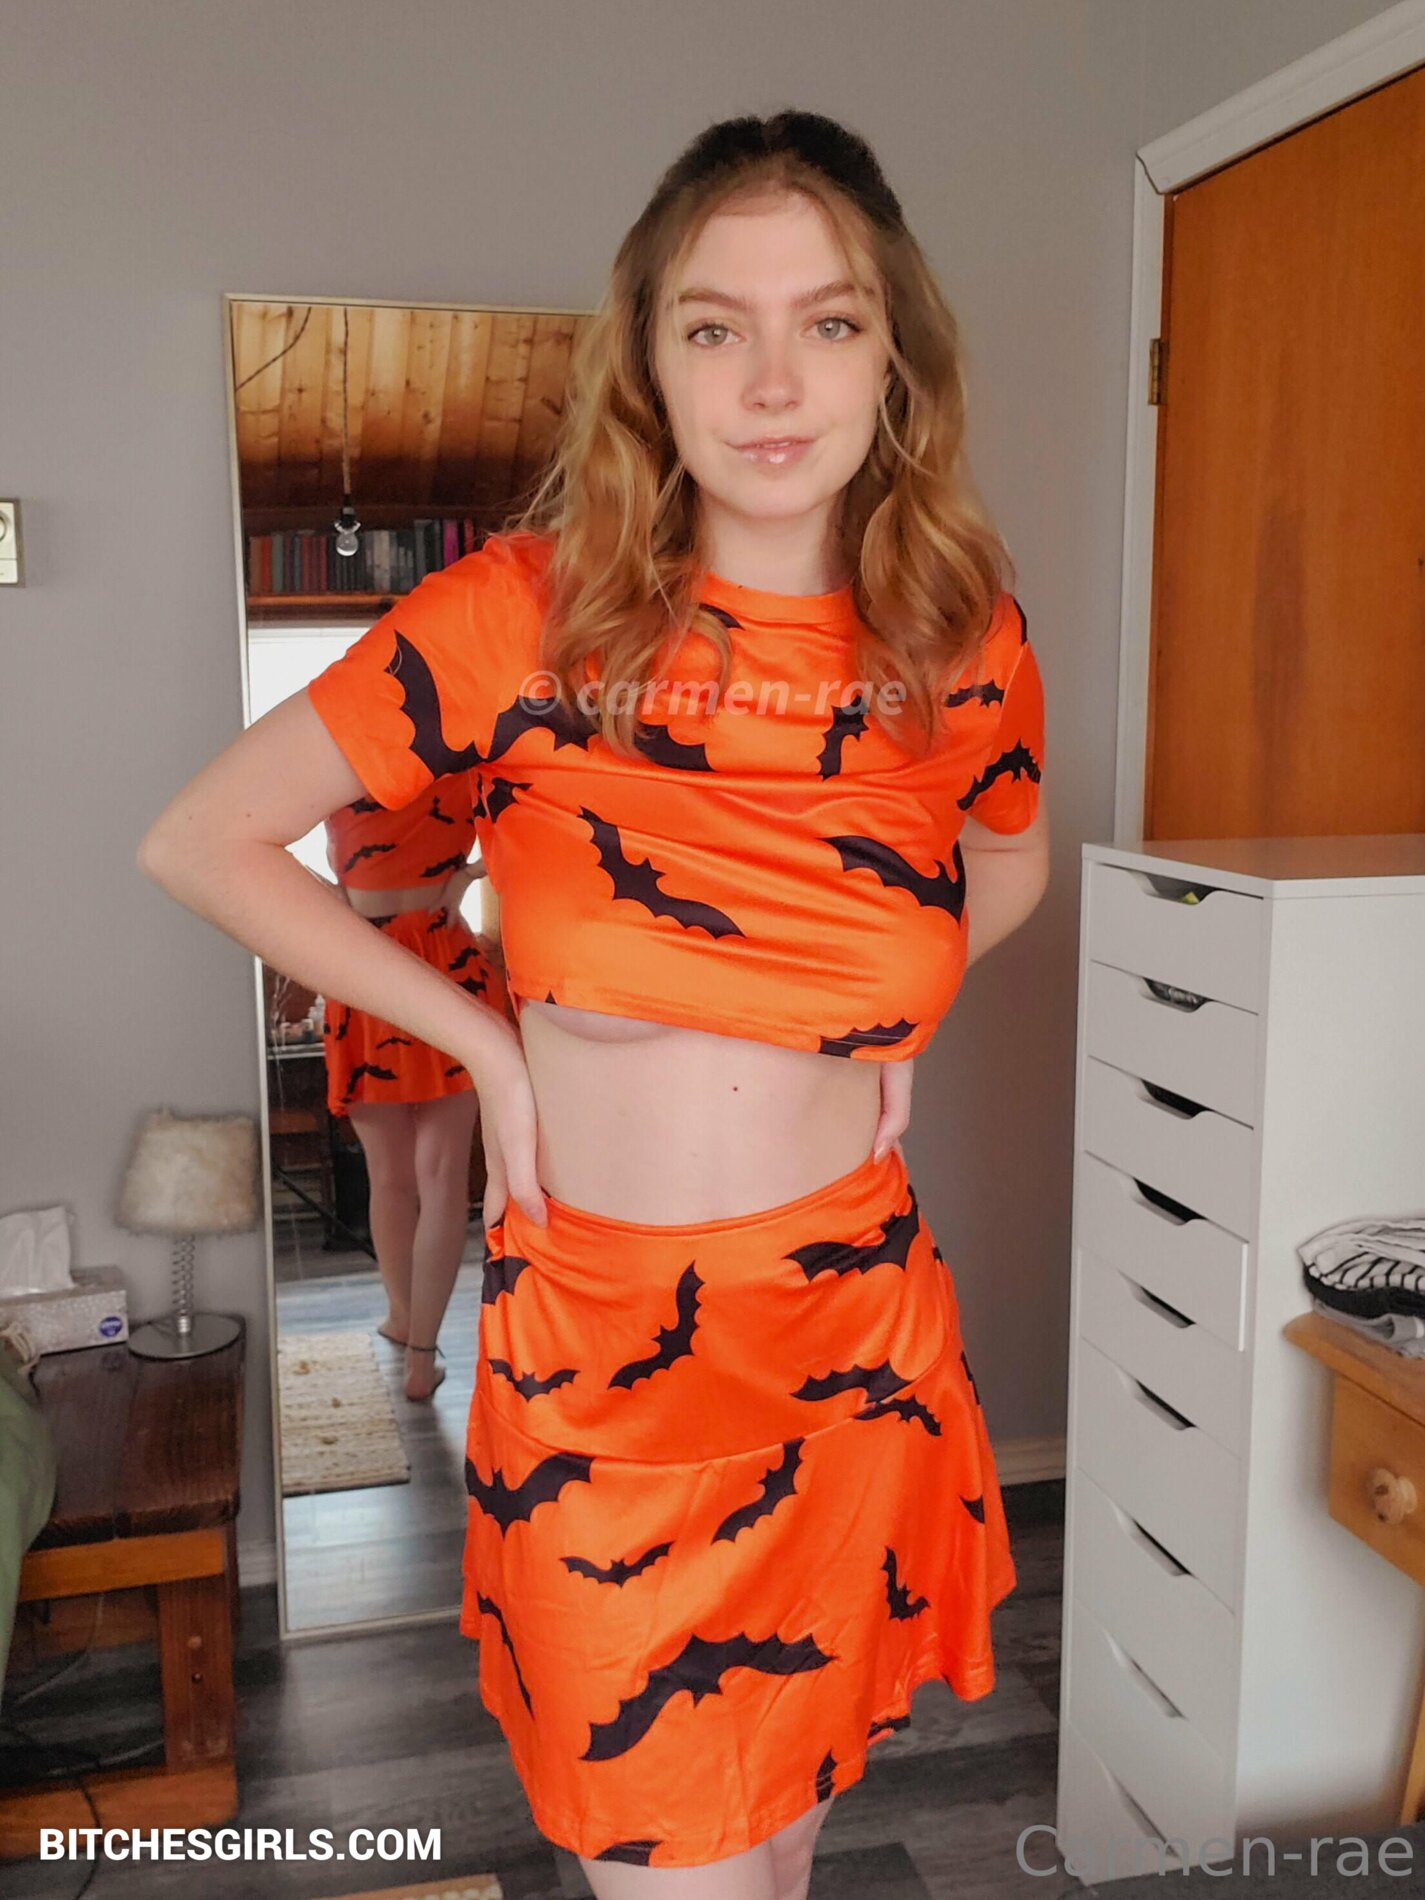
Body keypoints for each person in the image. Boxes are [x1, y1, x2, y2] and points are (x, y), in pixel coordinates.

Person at [139, 110, 1048, 1900]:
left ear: (895, 358)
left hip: (851, 1328)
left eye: (829, 321)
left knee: (781, 1849)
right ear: (649, 363)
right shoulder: (525, 618)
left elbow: (1003, 865)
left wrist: (897, 1015)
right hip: (608, 1366)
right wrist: (485, 1045)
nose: (773, 381)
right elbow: (203, 840)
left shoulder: (960, 638)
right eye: (716, 326)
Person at [319, 775, 514, 1400]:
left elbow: (257, 846)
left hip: (367, 967)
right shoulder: (460, 764)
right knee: (441, 1178)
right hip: (442, 964)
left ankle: (405, 1323)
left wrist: (331, 903)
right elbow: (531, 829)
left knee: (392, 1179)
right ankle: (419, 1355)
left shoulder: (334, 769)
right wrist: (468, 874)